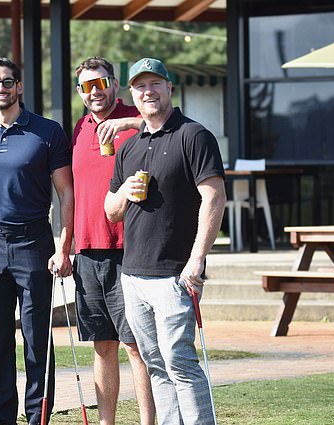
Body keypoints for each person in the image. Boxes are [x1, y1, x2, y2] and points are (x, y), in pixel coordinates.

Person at [104, 57, 226, 424]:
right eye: (140, 86)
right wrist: (125, 190)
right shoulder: (129, 147)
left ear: (169, 87)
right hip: (133, 274)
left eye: (155, 83)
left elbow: (215, 197)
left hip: (175, 273)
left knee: (180, 363)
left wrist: (197, 260)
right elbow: (111, 211)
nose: (148, 91)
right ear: (132, 94)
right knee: (155, 365)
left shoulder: (194, 135)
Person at [0, 57, 73, 425]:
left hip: (34, 242)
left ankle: (39, 417)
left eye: (8, 82)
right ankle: (3, 419)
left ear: (19, 86)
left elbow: (66, 194)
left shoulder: (48, 131)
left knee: (37, 339)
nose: (1, 88)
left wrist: (64, 245)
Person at [72, 56, 155, 425]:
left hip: (129, 251)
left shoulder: (135, 120)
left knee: (136, 345)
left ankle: (148, 422)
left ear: (115, 84)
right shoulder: (78, 129)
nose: (95, 92)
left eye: (101, 83)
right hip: (87, 251)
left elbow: (169, 124)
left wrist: (126, 121)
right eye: (87, 86)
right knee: (102, 345)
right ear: (80, 93)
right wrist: (64, 247)